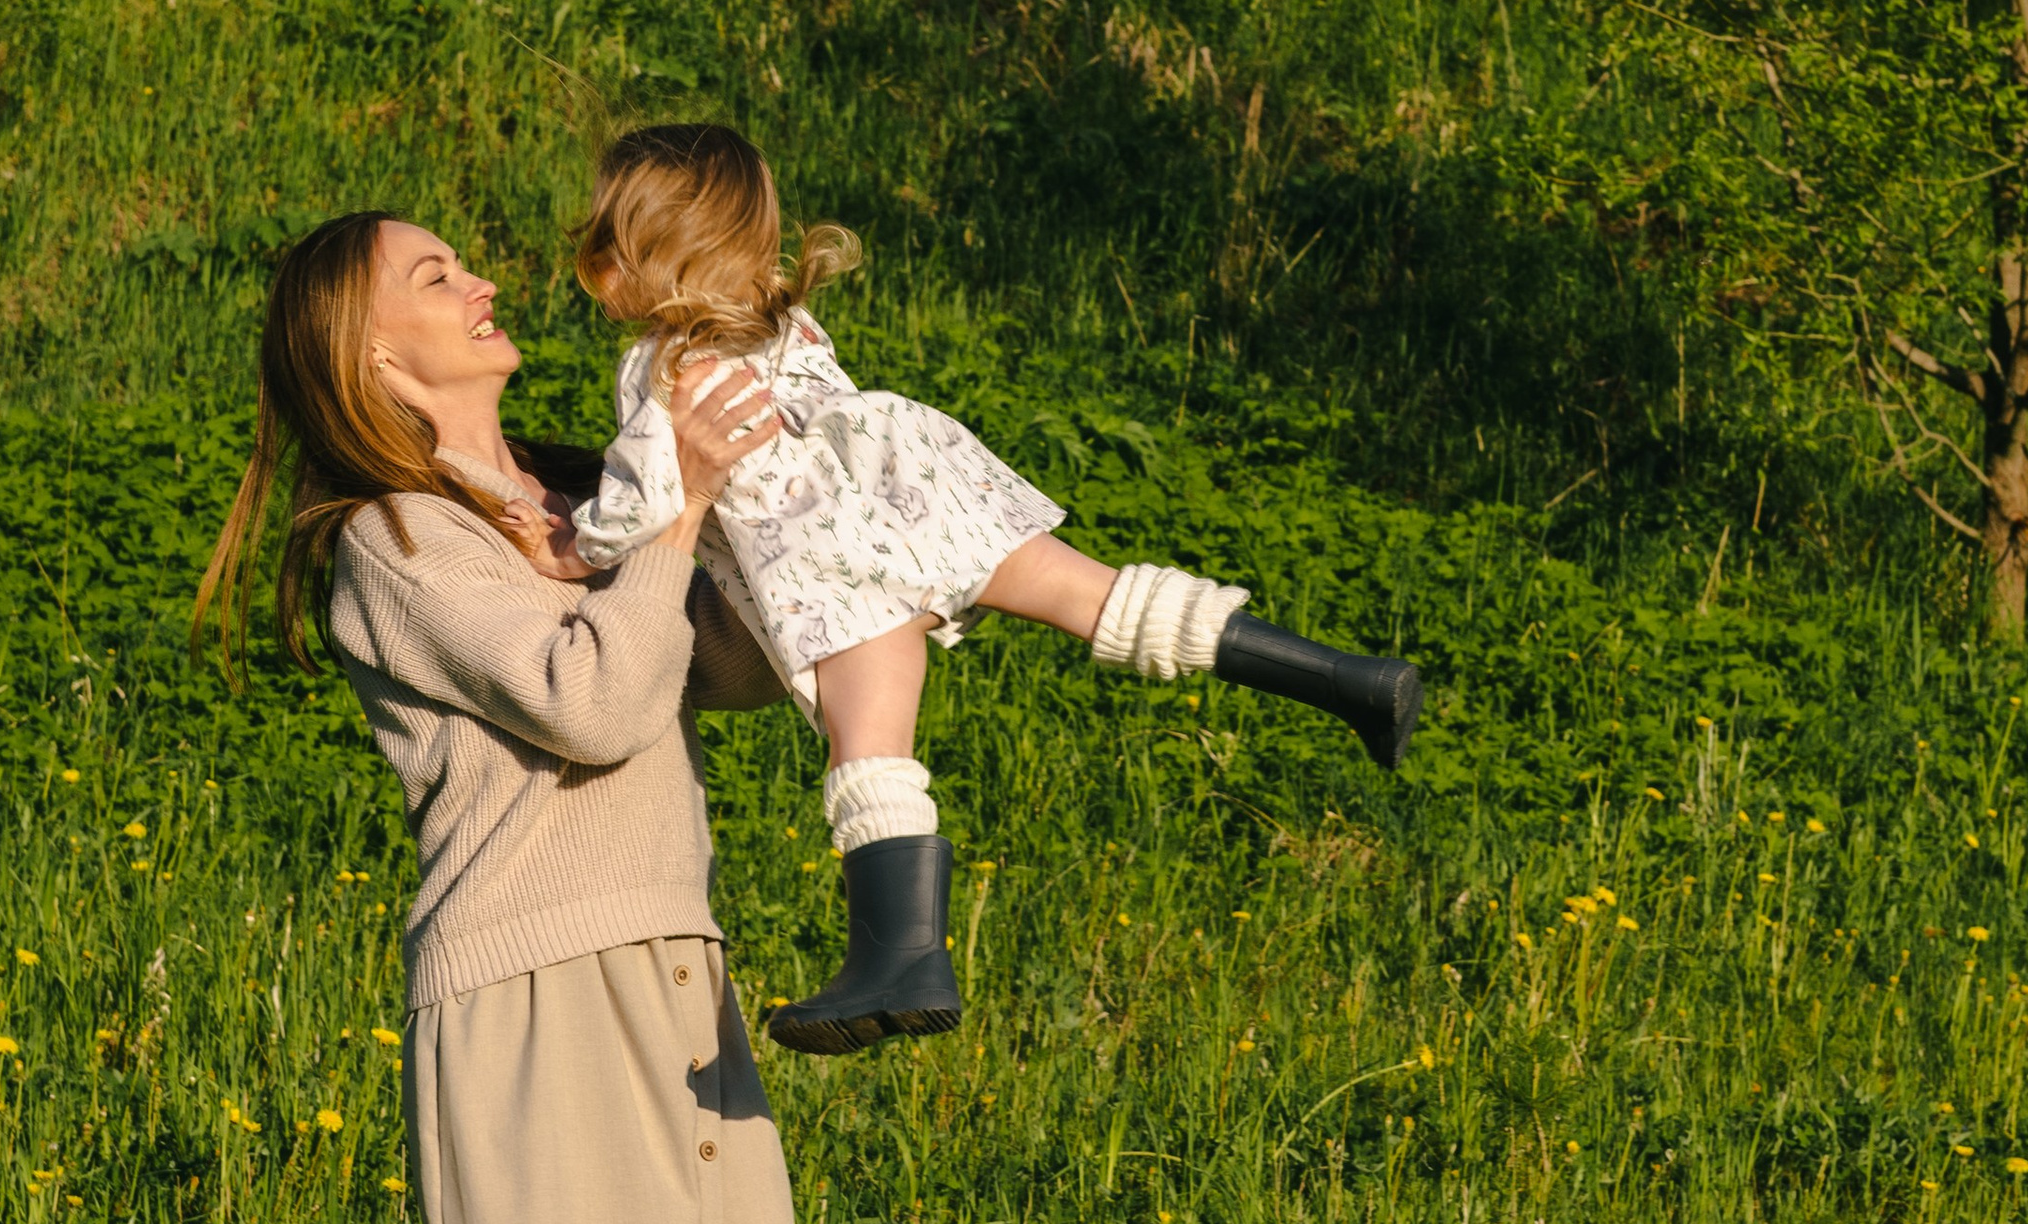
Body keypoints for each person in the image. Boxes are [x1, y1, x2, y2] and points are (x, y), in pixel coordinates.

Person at [195, 209, 836, 1224]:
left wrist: (774, 517)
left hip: (675, 966)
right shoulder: (393, 541)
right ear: (371, 353)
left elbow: (723, 667)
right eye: (436, 277)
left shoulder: (573, 493)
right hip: (526, 994)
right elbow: (595, 700)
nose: (481, 283)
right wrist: (675, 516)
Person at [569, 121, 1425, 1054]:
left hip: (837, 564)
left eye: (601, 248)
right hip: (916, 488)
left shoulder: (663, 366)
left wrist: (571, 548)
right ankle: (1352, 680)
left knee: (872, 749)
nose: (593, 270)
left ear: (647, 256)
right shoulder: (784, 320)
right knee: (1103, 598)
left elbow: (644, 501)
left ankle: (900, 960)